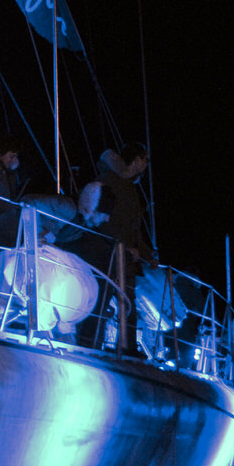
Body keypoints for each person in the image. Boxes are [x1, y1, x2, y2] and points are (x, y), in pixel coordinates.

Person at [93, 144, 152, 353]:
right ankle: (93, 339)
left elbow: (132, 227)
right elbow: (103, 218)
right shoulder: (110, 181)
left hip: (125, 255)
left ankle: (127, 345)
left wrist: (147, 254)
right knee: (103, 294)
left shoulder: (129, 187)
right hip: (110, 251)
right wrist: (125, 247)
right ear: (135, 160)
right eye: (145, 159)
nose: (146, 164)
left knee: (127, 300)